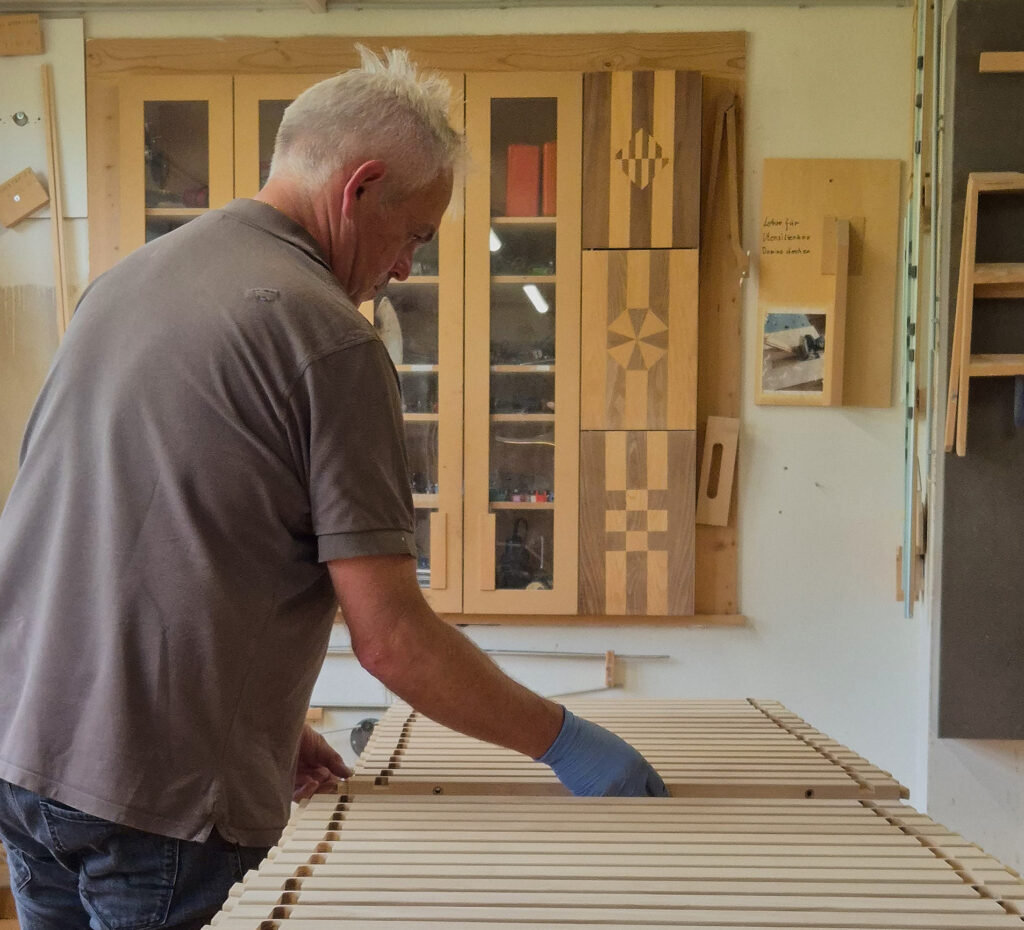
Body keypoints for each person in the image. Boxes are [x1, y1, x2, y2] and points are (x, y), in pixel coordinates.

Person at [0, 46, 667, 930]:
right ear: (360, 188)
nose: (404, 270)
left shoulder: (122, 284)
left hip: (24, 754)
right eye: (415, 236)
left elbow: (116, 529)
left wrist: (248, 721)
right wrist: (568, 743)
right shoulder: (330, 340)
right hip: (157, 808)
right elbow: (392, 642)